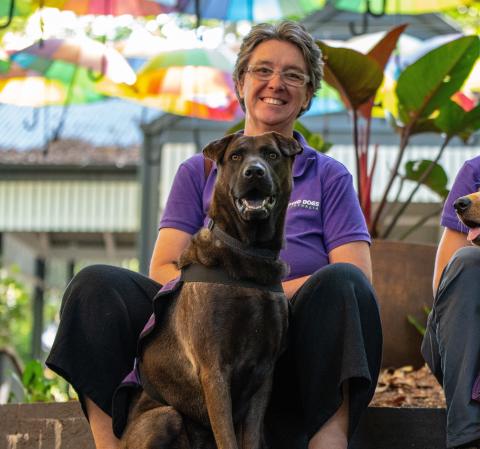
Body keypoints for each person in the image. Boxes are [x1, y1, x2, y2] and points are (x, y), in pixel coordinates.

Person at [46, 21, 382, 449]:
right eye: (262, 70)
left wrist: (262, 294)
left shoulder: (327, 175)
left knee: (345, 285)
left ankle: (327, 441)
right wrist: (222, 298)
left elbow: (356, 271)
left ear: (309, 93)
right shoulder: (201, 169)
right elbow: (164, 267)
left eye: (293, 75)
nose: (275, 83)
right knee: (95, 286)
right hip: (195, 344)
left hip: (292, 342)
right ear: (241, 83)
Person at [422, 156, 480, 449]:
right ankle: (467, 436)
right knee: (467, 261)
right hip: (464, 341)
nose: (468, 201)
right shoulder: (475, 169)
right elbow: (444, 286)